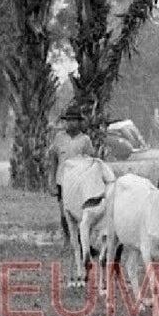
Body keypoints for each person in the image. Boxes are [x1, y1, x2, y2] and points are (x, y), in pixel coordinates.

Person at [50, 101, 95, 243]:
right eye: (68, 120)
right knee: (64, 211)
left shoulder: (85, 140)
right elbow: (53, 159)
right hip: (62, 181)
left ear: (79, 122)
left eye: (74, 120)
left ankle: (82, 239)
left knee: (81, 211)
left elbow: (91, 162)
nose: (71, 123)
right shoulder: (59, 138)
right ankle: (68, 238)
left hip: (80, 183)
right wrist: (51, 181)